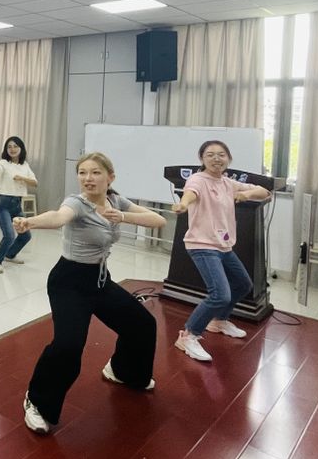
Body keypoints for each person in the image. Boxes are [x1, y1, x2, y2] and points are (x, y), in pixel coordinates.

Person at [15, 152, 166, 435]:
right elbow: (58, 217)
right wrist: (30, 222)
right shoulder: (77, 203)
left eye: (95, 172)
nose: (88, 178)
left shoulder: (115, 201)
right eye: (82, 172)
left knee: (142, 324)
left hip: (100, 280)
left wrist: (123, 215)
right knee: (68, 346)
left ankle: (122, 371)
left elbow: (158, 220)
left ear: (110, 177)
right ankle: (36, 401)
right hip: (69, 282)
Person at [171, 140, 270, 363]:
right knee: (220, 294)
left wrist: (246, 195)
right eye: (210, 155)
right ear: (202, 159)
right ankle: (188, 336)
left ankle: (218, 321)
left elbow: (265, 192)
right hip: (202, 245)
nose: (216, 158)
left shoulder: (228, 183)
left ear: (228, 159)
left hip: (223, 246)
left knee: (243, 284)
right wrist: (183, 204)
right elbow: (190, 193)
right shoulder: (197, 179)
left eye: (221, 154)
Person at [0, 136, 37, 272]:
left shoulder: (25, 165)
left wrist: (22, 178)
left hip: (16, 204)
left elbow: (35, 183)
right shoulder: (3, 163)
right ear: (6, 149)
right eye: (9, 147)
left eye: (15, 146)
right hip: (2, 203)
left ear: (21, 148)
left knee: (26, 235)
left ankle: (10, 255)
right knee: (9, 235)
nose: (12, 149)